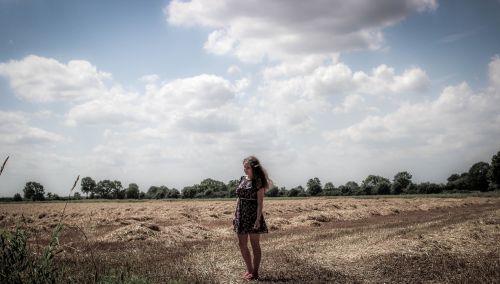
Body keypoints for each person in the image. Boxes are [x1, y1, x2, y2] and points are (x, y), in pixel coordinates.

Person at [233, 156, 270, 281]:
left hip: (253, 215)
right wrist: (235, 214)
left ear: (254, 168)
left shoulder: (259, 182)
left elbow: (260, 203)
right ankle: (249, 270)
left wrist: (258, 219)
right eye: (244, 167)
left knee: (255, 245)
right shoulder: (242, 179)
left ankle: (255, 272)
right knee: (242, 244)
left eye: (247, 167)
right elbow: (238, 198)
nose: (245, 170)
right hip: (241, 215)